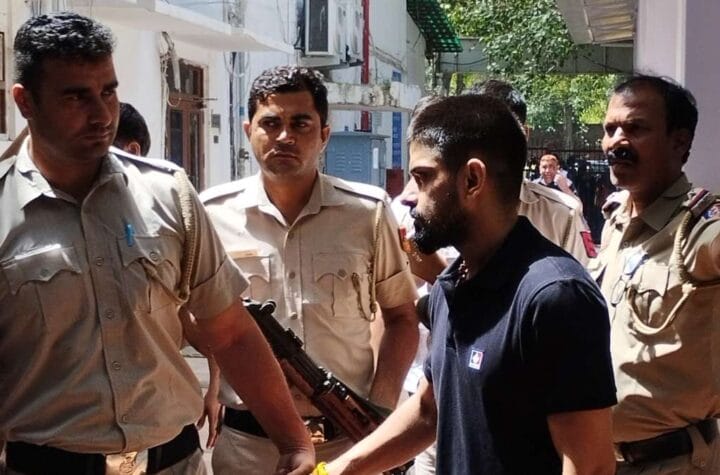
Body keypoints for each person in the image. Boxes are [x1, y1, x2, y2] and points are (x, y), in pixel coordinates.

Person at [0, 12, 314, 475]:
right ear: (25, 101)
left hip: (175, 463)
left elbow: (230, 330)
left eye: (109, 92)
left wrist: (293, 440)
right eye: (76, 97)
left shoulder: (168, 193)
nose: (102, 114)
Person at [323, 94, 617, 475]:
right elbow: (429, 410)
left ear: (472, 180)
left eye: (423, 178)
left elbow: (590, 466)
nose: (410, 198)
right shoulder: (452, 284)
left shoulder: (555, 297)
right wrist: (334, 471)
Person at [200, 65, 419, 475]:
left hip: (346, 447)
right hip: (249, 449)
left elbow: (402, 319)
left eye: (301, 123)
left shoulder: (367, 213)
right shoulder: (211, 215)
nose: (285, 136)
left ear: (324, 134)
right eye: (271, 123)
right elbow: (203, 324)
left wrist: (378, 410)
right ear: (248, 130)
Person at [590, 74, 720, 473]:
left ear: (679, 142)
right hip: (602, 459)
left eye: (635, 129)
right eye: (610, 129)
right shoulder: (615, 222)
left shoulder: (698, 229)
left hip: (674, 463)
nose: (616, 142)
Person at [470, 80, 595, 265]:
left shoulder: (562, 215)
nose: (492, 144)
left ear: (525, 134)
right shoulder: (441, 211)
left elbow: (582, 279)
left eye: (503, 133)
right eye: (479, 132)